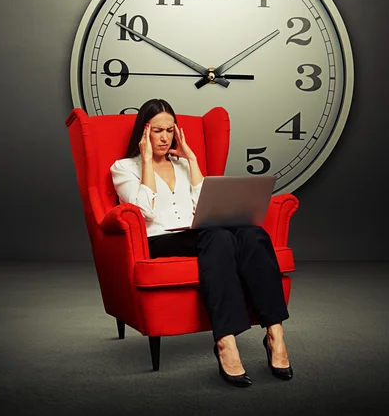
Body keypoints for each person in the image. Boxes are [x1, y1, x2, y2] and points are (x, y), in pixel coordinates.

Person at [110, 98, 293, 387]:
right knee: (218, 237)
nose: (164, 137)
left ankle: (275, 333)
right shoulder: (124, 168)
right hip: (159, 239)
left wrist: (192, 160)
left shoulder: (183, 164)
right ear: (144, 132)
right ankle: (225, 342)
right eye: (157, 130)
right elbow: (143, 212)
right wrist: (146, 161)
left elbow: (204, 206)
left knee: (252, 234)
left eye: (170, 130)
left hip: (198, 233)